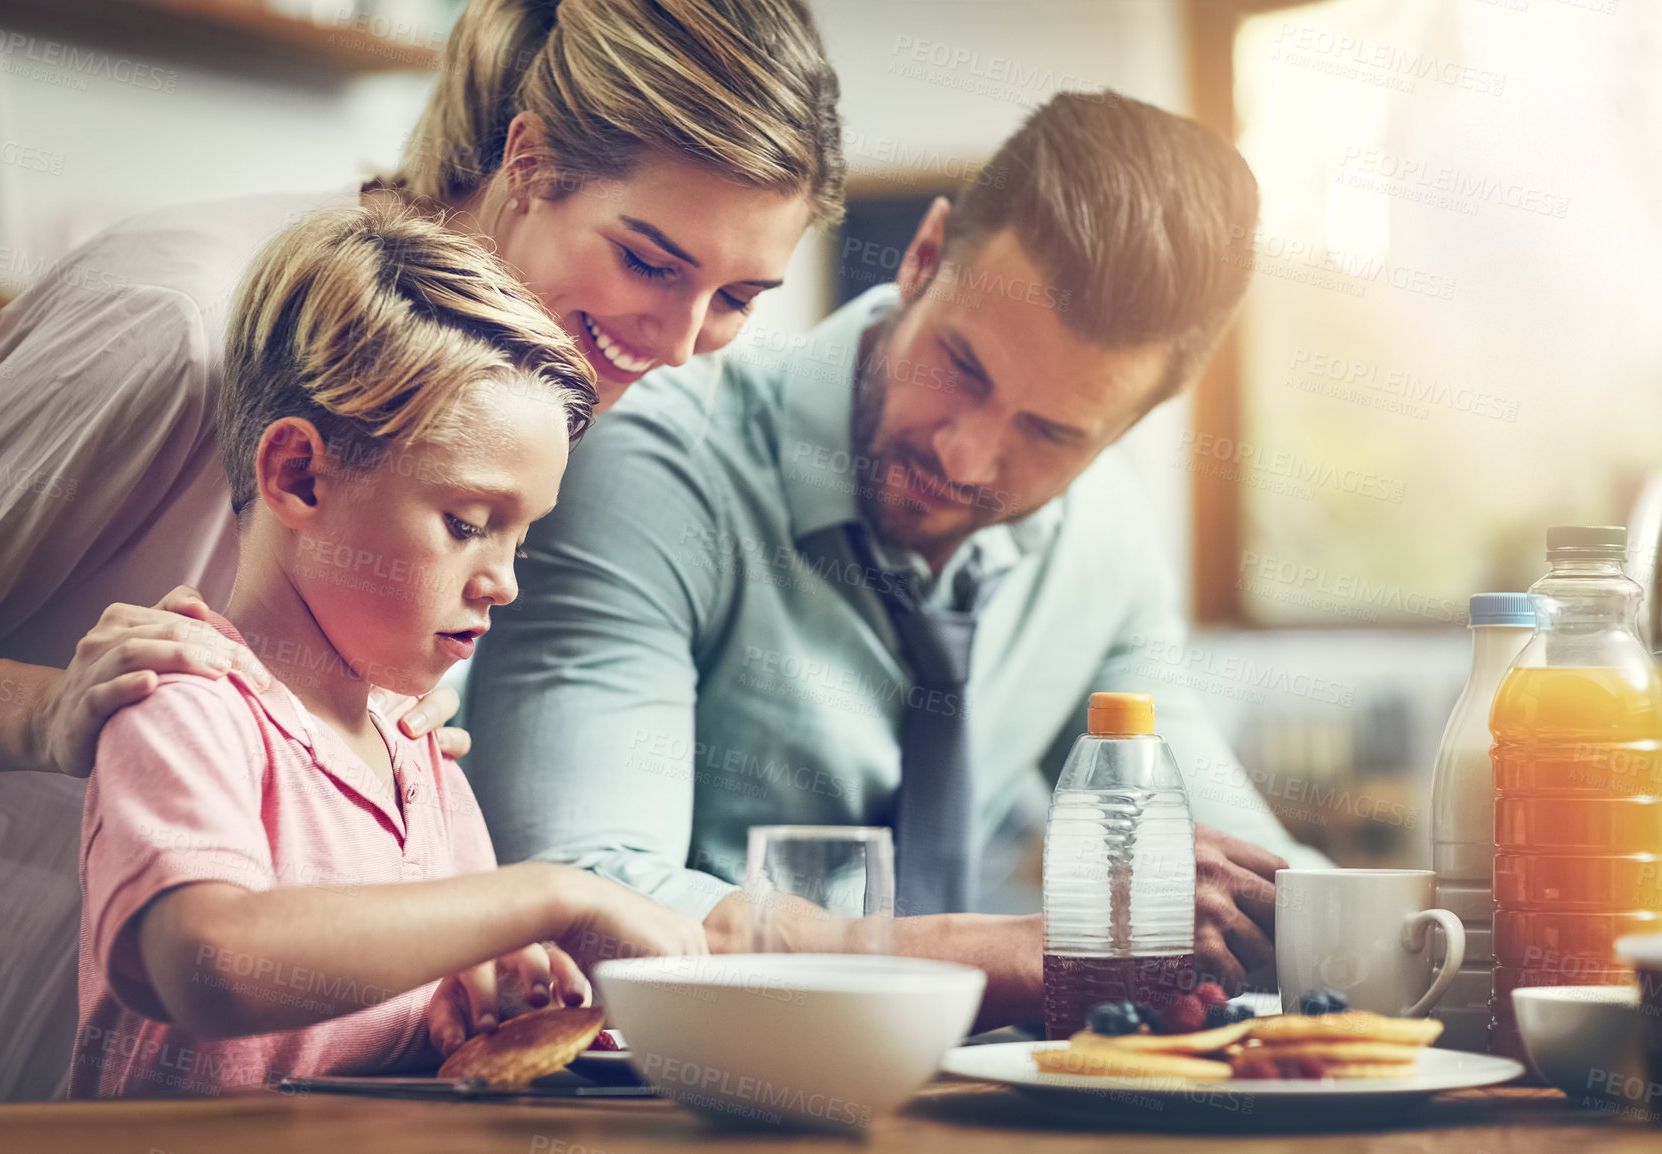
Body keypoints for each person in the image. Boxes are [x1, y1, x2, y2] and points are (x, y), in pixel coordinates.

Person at [0, 0, 842, 1101]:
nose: (683, 340)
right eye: (650, 260)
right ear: (531, 158)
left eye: (738, 298)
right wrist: (50, 709)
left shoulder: (547, 398)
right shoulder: (177, 320)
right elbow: (216, 945)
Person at [463, 91, 1336, 1029]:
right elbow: (578, 887)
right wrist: (1012, 955)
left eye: (1050, 431)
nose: (965, 457)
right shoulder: (656, 462)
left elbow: (1244, 867)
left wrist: (1393, 921)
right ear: (924, 258)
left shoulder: (1102, 538)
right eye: (962, 365)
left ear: (1128, 427)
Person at [72, 202, 705, 1099]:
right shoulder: (186, 702)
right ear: (298, 474)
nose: (504, 582)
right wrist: (552, 895)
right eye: (468, 525)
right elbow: (207, 960)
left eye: (518, 539)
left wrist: (467, 1001)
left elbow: (395, 1005)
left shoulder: (422, 755)